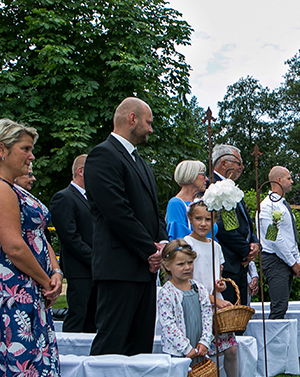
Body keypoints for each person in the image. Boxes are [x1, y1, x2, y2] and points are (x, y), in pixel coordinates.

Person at [84, 97, 167, 356]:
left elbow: (153, 210)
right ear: (132, 119)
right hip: (119, 267)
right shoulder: (103, 155)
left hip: (144, 269)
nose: (151, 130)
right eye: (148, 122)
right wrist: (148, 249)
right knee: (113, 341)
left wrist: (162, 244)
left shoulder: (140, 162)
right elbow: (116, 211)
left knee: (140, 344)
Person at [0, 118, 61, 377]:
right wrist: (44, 280)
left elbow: (37, 237)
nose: (31, 156)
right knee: (16, 361)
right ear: (1, 149)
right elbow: (14, 246)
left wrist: (55, 273)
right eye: (25, 149)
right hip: (8, 290)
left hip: (27, 285)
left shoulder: (11, 188)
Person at [184, 200, 249, 377]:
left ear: (215, 221)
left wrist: (219, 285)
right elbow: (188, 282)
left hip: (216, 303)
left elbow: (215, 276)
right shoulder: (186, 245)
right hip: (196, 305)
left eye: (208, 219)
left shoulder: (216, 246)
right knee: (200, 355)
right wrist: (214, 299)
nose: (203, 223)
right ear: (190, 219)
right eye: (198, 218)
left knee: (230, 349)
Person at [156, 239, 213, 377]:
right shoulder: (167, 292)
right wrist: (186, 347)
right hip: (180, 349)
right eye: (180, 264)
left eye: (189, 263)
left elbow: (207, 314)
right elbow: (168, 324)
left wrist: (204, 341)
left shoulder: (198, 288)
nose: (186, 268)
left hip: (198, 345)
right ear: (167, 266)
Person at [49, 154, 97, 333]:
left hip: (95, 270)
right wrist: (94, 259)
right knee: (78, 316)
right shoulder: (64, 198)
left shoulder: (92, 199)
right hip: (80, 270)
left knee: (93, 318)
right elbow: (70, 237)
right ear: (81, 171)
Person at [212, 145, 259, 305]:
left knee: (240, 315)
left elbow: (245, 221)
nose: (242, 167)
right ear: (224, 163)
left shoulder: (231, 187)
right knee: (230, 317)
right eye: (238, 163)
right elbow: (223, 228)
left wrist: (255, 243)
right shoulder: (214, 188)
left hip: (240, 264)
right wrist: (246, 250)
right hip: (229, 262)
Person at [258, 166, 300, 320]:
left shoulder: (282, 204)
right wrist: (292, 262)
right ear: (278, 180)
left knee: (283, 305)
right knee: (278, 307)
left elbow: (290, 236)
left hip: (286, 259)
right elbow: (274, 239)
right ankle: (273, 342)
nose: (291, 181)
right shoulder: (267, 206)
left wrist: (298, 260)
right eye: (288, 178)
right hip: (275, 259)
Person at [166, 160, 209, 240]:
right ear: (191, 175)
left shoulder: (201, 202)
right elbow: (180, 238)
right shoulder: (176, 204)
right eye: (203, 174)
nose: (206, 179)